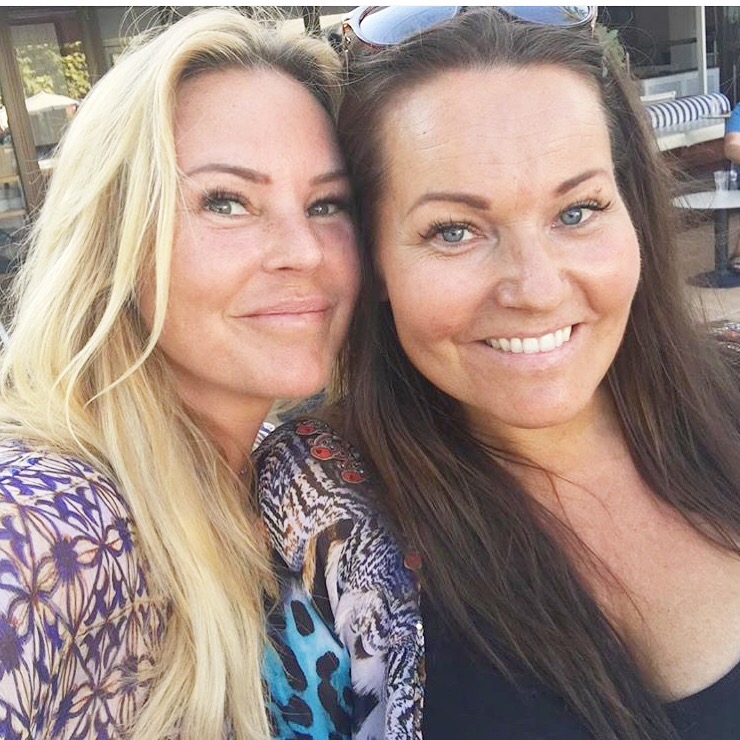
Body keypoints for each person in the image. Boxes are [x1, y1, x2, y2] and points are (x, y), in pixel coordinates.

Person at [255, 6, 740, 740]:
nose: (536, 289)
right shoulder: (312, 519)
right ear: (373, 259)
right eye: (454, 230)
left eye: (577, 211)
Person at [0, 8, 358, 738]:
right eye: (227, 202)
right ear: (114, 239)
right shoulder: (44, 525)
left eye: (327, 204)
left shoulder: (283, 478)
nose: (305, 251)